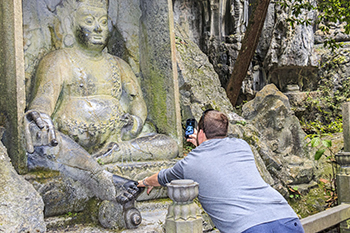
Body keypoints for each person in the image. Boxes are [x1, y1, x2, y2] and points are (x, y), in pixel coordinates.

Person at [24, 0, 177, 204]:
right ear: (72, 25)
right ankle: (98, 173)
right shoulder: (58, 59)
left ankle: (107, 158)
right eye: (89, 21)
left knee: (170, 145)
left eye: (103, 22)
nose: (97, 28)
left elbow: (137, 101)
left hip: (117, 138)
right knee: (44, 140)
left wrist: (136, 121)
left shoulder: (119, 64)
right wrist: (40, 116)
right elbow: (43, 98)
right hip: (71, 140)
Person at [138, 109, 305, 233]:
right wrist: (202, 143)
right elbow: (218, 156)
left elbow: (163, 177)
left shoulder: (189, 163)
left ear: (200, 133)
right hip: (286, 218)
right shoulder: (242, 146)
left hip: (248, 227)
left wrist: (144, 182)